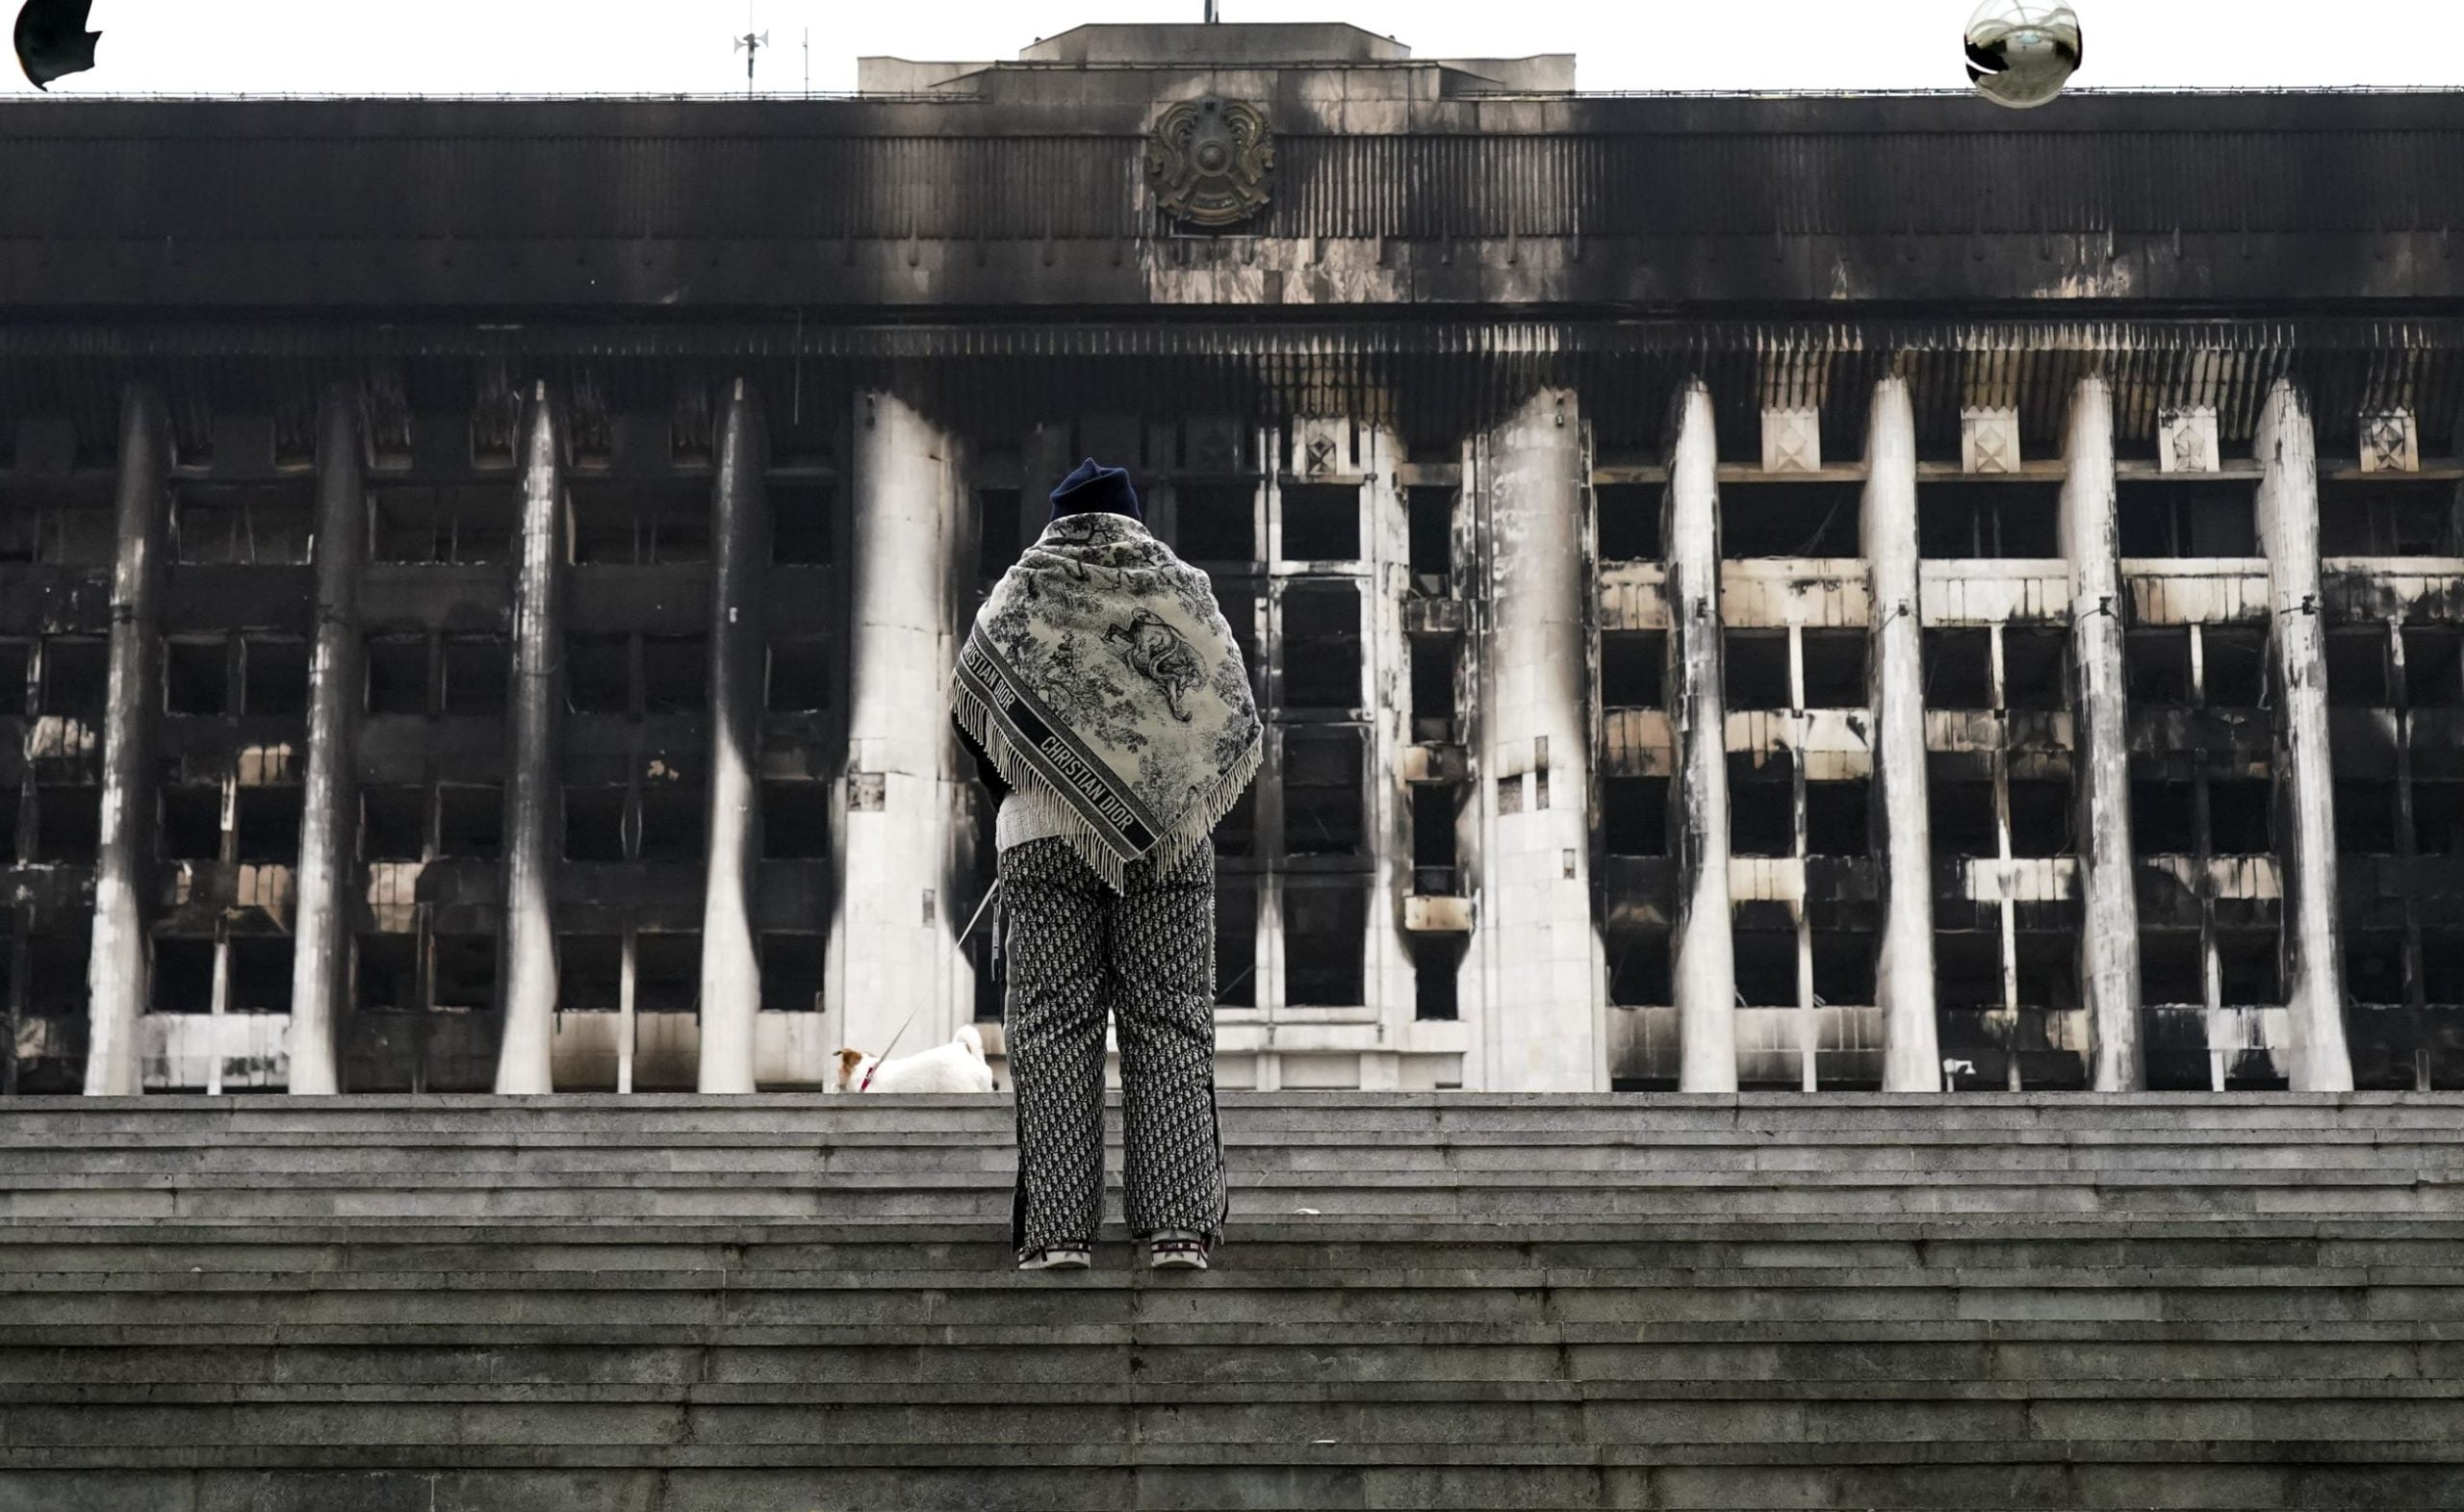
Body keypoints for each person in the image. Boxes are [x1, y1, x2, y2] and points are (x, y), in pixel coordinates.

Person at [948, 456, 1262, 1272]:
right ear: (1131, 513)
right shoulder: (1182, 588)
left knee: (1051, 1025)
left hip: (1040, 833)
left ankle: (1057, 1232)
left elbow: (971, 707)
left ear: (1058, 515)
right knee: (1170, 1019)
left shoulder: (1020, 592)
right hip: (1170, 834)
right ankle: (1178, 1228)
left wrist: (1036, 785)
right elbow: (1228, 706)